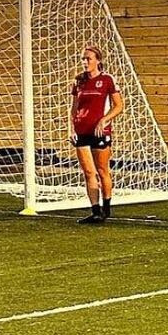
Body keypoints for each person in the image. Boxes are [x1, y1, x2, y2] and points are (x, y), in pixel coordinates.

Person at [71, 45, 124, 224]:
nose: (85, 62)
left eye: (89, 59)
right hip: (82, 131)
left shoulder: (107, 80)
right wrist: (72, 128)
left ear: (97, 61)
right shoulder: (79, 81)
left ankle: (106, 207)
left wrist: (104, 120)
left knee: (102, 171)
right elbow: (75, 108)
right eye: (83, 59)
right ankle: (95, 211)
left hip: (100, 131)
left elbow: (119, 106)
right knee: (88, 172)